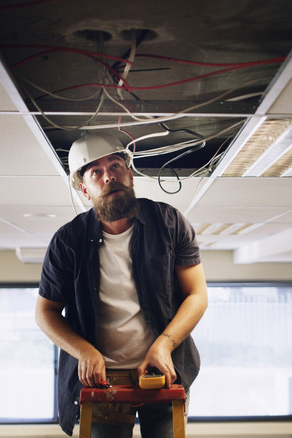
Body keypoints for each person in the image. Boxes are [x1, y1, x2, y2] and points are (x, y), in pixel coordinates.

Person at [35, 131, 208, 437]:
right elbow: (45, 313)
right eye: (96, 172)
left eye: (115, 166)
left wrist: (164, 345)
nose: (109, 177)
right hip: (101, 379)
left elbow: (197, 295)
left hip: (162, 370)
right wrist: (84, 352)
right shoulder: (68, 241)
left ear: (130, 174)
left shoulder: (169, 222)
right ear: (85, 190)